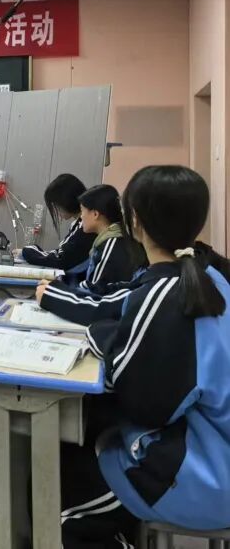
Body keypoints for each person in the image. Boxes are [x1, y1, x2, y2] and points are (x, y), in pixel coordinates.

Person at [45, 165, 230, 548]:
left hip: (206, 476)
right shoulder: (212, 278)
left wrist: (102, 337)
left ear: (136, 222)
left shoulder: (168, 294)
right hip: (215, 449)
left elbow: (141, 402)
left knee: (59, 478)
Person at [69, 184, 146, 295]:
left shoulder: (112, 244)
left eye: (82, 211)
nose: (81, 217)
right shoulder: (109, 239)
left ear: (95, 214)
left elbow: (94, 292)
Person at [21, 174, 96, 273]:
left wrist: (26, 251)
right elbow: (62, 253)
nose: (56, 210)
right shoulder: (78, 224)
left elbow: (61, 259)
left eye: (56, 205)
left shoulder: (86, 228)